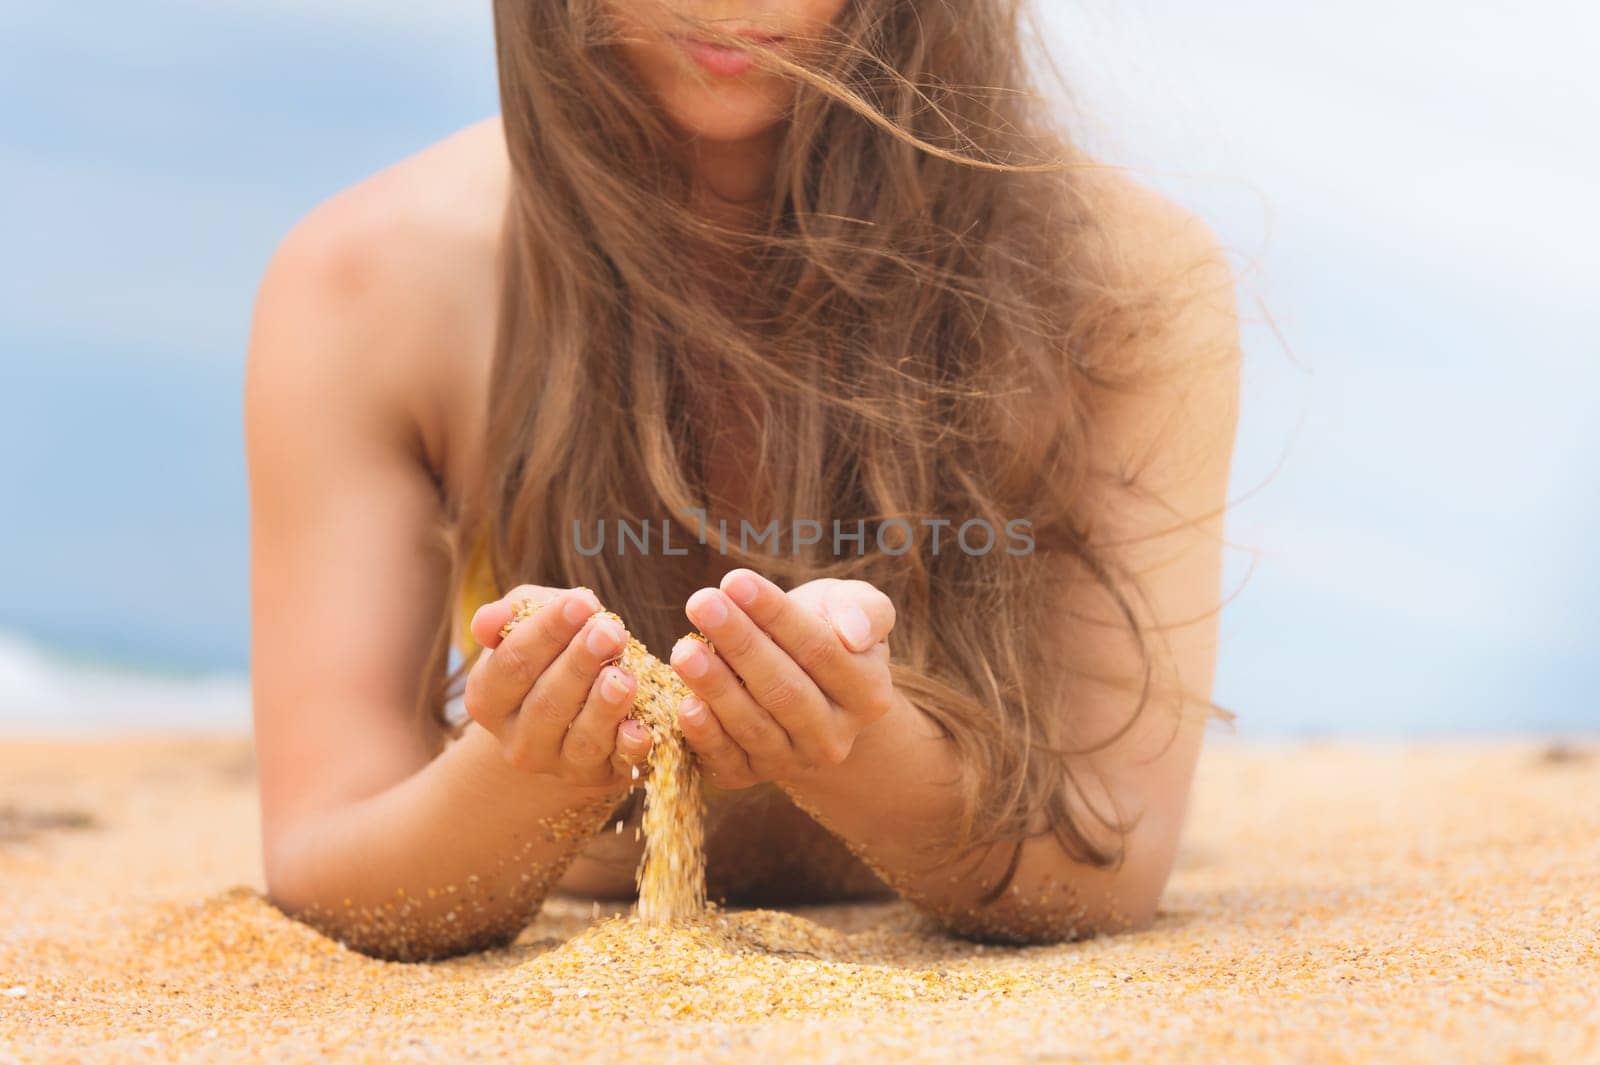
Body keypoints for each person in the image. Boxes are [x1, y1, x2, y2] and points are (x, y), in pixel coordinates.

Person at [244, 0, 1242, 961]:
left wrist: (863, 750)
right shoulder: (370, 288)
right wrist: (529, 770)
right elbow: (322, 852)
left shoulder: (1119, 289)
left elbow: (1111, 860)